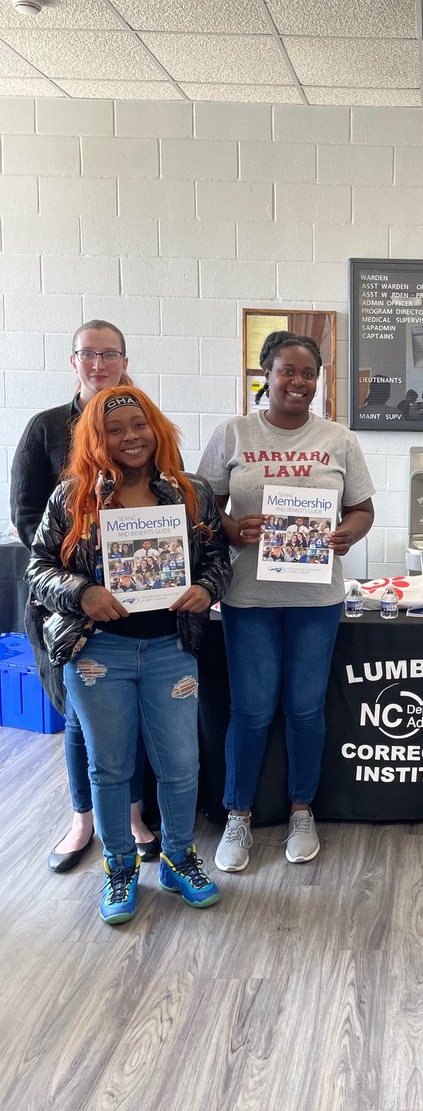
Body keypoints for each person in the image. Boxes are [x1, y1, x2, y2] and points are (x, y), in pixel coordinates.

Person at [26, 387, 232, 924]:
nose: (129, 438)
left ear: (155, 427)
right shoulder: (74, 497)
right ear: (97, 437)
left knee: (181, 764)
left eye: (138, 425)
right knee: (111, 766)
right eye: (114, 430)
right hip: (98, 653)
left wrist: (206, 589)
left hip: (171, 648)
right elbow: (38, 568)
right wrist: (81, 593)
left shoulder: (189, 492)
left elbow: (217, 558)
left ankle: (179, 858)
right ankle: (119, 866)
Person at [199, 331, 376, 874]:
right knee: (251, 711)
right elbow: (201, 507)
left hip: (316, 599)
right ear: (266, 375)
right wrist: (231, 529)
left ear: (317, 381)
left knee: (305, 709)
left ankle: (303, 811)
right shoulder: (233, 433)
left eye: (307, 374)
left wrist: (347, 534)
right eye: (286, 371)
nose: (297, 382)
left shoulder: (338, 440)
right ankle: (239, 815)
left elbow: (363, 510)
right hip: (248, 598)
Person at [10, 319, 159, 873]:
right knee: (79, 714)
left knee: (133, 714)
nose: (99, 364)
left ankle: (135, 816)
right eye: (88, 354)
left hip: (136, 605)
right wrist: (83, 576)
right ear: (73, 360)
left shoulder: (142, 424)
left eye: (109, 354)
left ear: (124, 359)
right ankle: (83, 820)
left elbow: (164, 509)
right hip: (67, 605)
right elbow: (27, 518)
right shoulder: (45, 428)